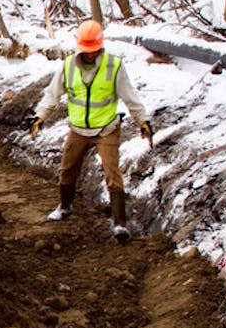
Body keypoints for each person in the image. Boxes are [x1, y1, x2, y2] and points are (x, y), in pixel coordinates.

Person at [31, 19, 153, 242]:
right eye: (86, 51)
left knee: (112, 173)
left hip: (106, 128)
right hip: (78, 129)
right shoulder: (68, 66)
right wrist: (40, 116)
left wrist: (142, 121)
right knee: (67, 169)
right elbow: (52, 94)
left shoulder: (113, 66)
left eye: (93, 50)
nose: (90, 55)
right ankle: (65, 206)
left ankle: (119, 224)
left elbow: (130, 97)